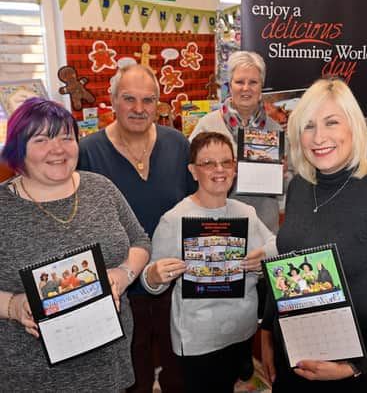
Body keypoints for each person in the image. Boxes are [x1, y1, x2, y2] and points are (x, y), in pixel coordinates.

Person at [261, 78, 367, 393]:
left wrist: (355, 365)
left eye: (332, 122)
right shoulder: (300, 187)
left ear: (354, 128)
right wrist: (267, 332)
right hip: (292, 355)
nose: (319, 137)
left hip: (345, 370)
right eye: (309, 126)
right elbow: (287, 268)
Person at [0, 98, 150, 391]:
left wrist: (123, 275)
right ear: (19, 149)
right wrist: (13, 306)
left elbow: (140, 240)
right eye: (41, 139)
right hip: (31, 374)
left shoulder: (101, 188)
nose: (58, 149)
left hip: (109, 362)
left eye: (66, 137)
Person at [78, 64, 195, 392]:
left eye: (148, 100)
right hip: (118, 288)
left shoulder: (177, 144)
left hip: (174, 282)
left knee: (177, 368)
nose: (140, 109)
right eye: (129, 99)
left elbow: (195, 203)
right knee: (131, 373)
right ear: (112, 100)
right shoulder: (87, 152)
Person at [140, 132, 277, 393]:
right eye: (208, 163)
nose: (219, 170)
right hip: (199, 340)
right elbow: (151, 281)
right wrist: (155, 275)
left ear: (235, 169)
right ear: (193, 171)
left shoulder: (245, 212)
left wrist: (263, 257)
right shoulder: (175, 219)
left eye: (226, 162)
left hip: (241, 331)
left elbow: (274, 246)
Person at [189, 50, 285, 234]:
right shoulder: (208, 125)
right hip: (217, 224)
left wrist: (281, 174)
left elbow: (287, 185)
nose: (246, 88)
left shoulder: (276, 129)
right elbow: (191, 174)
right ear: (230, 85)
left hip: (263, 226)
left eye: (253, 82)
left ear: (261, 86)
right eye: (239, 81)